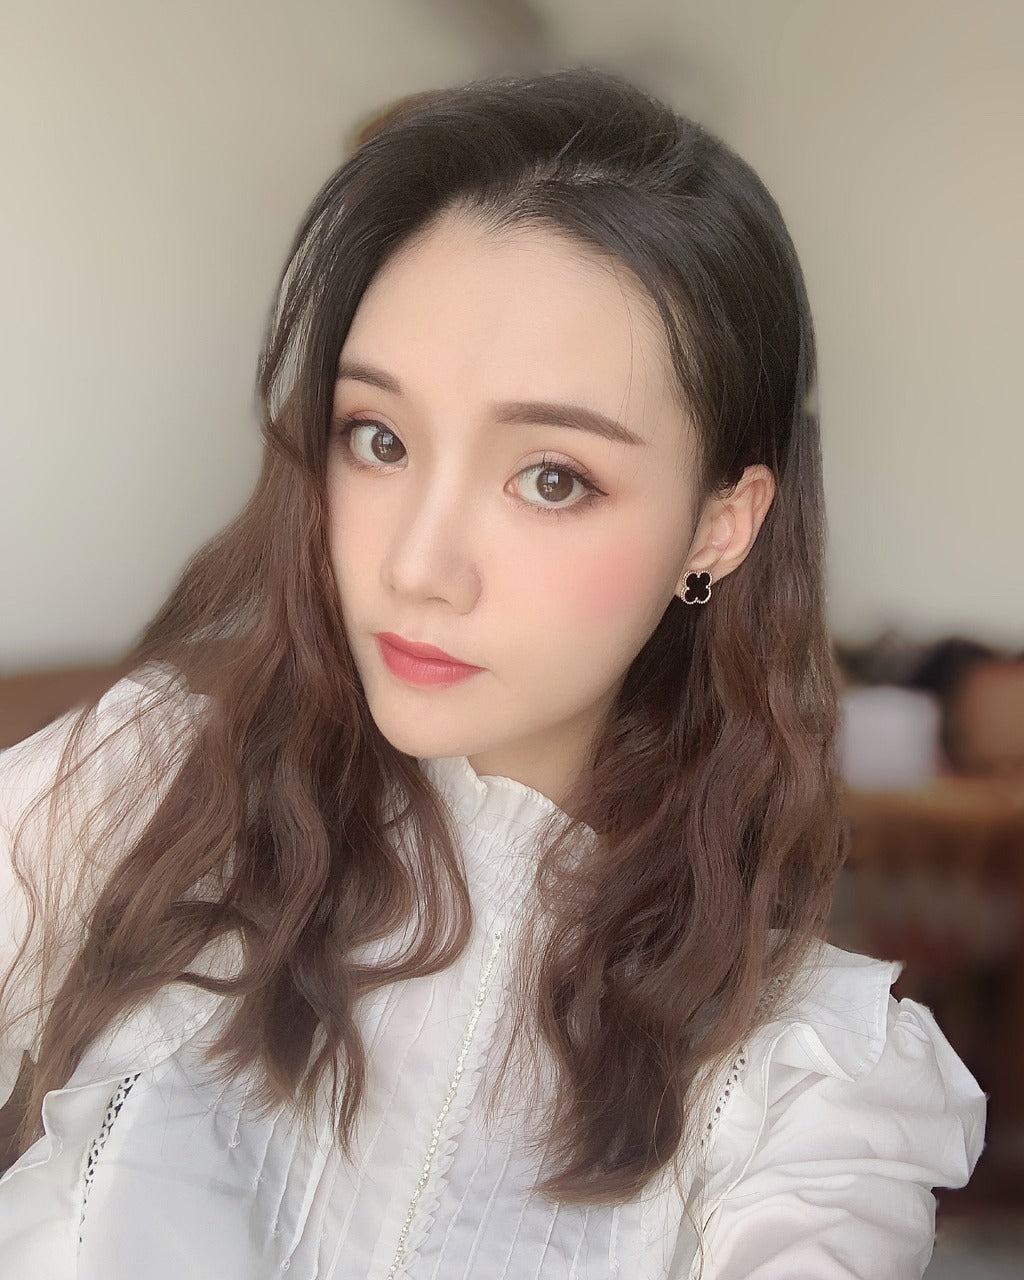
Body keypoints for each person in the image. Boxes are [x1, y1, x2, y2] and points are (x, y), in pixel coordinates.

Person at [0, 69, 984, 1278]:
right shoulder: (135, 797)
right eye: (379, 438)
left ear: (717, 526)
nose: (416, 566)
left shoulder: (802, 1080)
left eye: (551, 477)